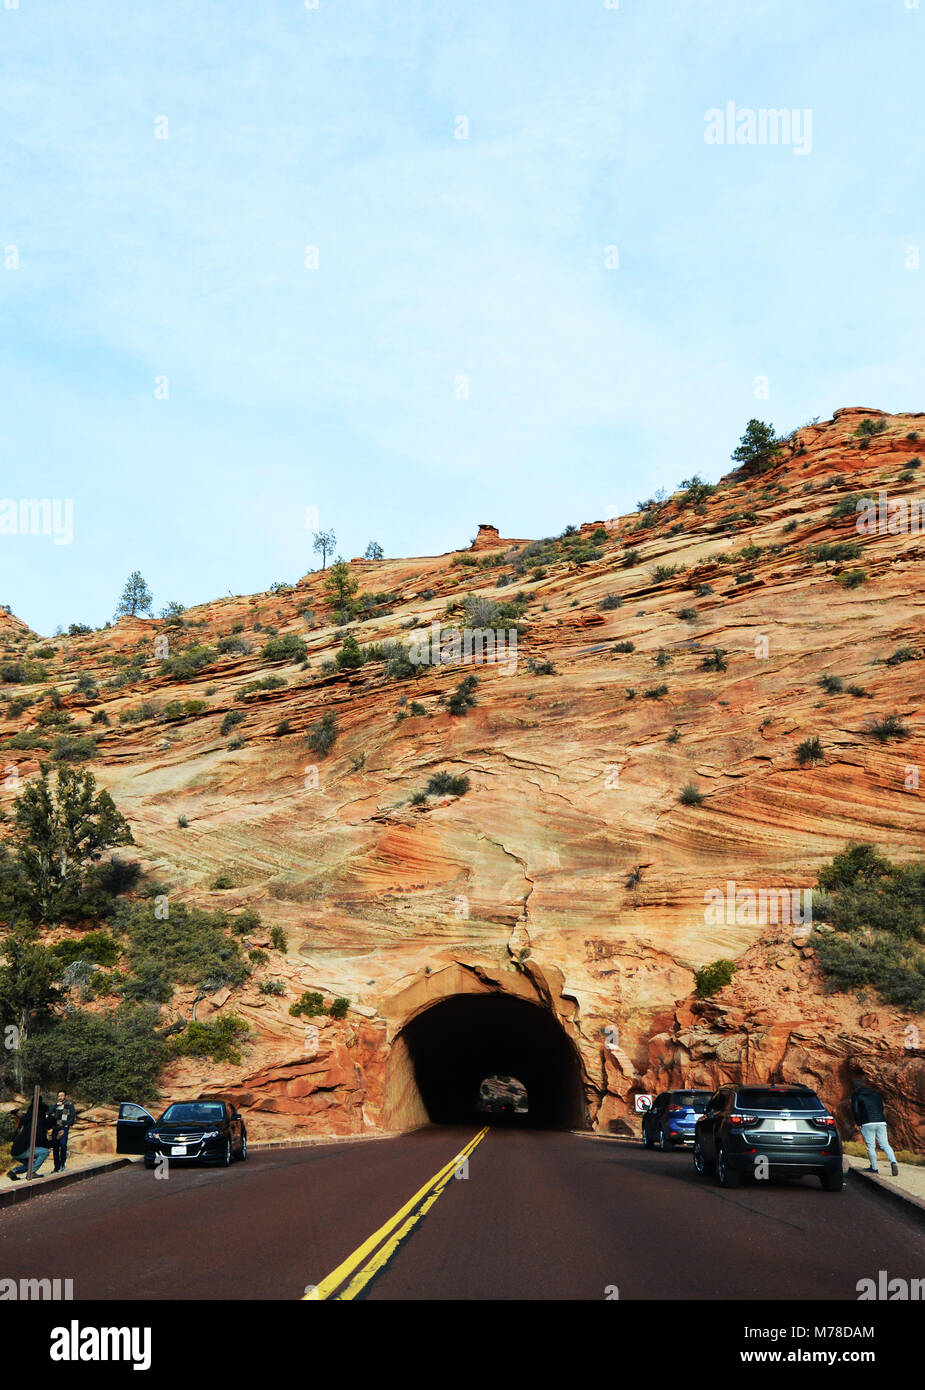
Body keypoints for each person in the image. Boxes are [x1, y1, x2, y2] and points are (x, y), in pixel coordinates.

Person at [850, 1078, 899, 1176]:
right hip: (881, 1121)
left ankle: (874, 1168)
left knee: (871, 1146)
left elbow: (855, 1110)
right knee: (885, 1144)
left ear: (854, 1088)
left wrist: (858, 1123)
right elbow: (881, 1107)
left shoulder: (856, 1095)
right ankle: (893, 1162)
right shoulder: (875, 1094)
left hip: (867, 1122)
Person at [6, 1098, 52, 1181]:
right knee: (45, 1151)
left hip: (15, 1151)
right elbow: (41, 1141)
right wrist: (52, 1142)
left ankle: (13, 1171)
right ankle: (32, 1173)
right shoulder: (39, 1123)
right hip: (23, 1150)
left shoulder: (28, 1120)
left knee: (30, 1165)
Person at [50, 1090, 77, 1173]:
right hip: (55, 1128)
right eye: (59, 1096)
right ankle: (56, 1167)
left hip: (64, 1128)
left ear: (65, 1096)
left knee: (63, 1145)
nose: (60, 1097)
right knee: (55, 1147)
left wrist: (68, 1124)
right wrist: (55, 1105)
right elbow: (49, 1112)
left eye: (62, 1095)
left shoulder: (69, 1105)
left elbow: (72, 1115)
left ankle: (62, 1164)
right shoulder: (56, 1105)